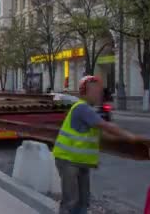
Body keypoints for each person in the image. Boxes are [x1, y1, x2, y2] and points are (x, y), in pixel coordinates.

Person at [53, 75, 138, 214]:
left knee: (83, 200)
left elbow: (103, 135)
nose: (99, 94)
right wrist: (131, 137)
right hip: (68, 160)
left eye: (100, 91)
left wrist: (125, 142)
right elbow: (105, 126)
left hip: (80, 161)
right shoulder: (81, 108)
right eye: (96, 91)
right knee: (71, 201)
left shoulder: (89, 110)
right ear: (85, 92)